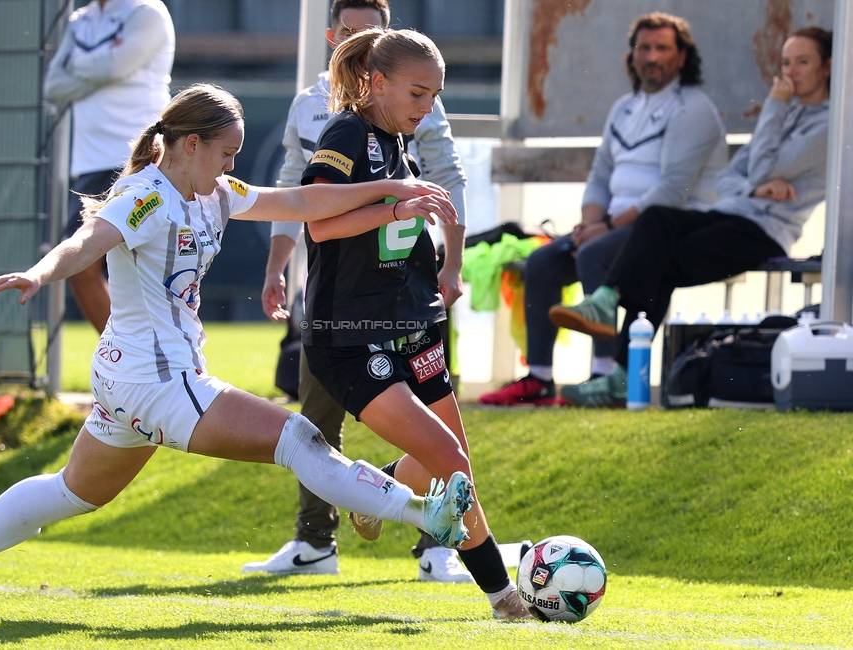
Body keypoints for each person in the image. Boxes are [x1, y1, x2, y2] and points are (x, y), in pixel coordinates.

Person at [0, 83, 470, 618]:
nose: (232, 167)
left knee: (72, 492)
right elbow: (85, 243)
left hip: (135, 380)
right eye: (227, 153)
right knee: (298, 438)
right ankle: (423, 513)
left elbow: (299, 200)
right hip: (156, 382)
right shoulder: (144, 195)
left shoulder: (213, 194)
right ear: (190, 144)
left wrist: (389, 188)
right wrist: (38, 273)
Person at [298, 27, 533, 620]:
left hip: (415, 322)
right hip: (352, 336)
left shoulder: (400, 143)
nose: (428, 108)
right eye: (418, 94)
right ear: (376, 84)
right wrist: (397, 206)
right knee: (449, 456)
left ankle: (374, 486)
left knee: (442, 456)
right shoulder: (347, 132)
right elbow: (320, 223)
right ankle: (503, 596)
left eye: (435, 96)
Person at [242, 0, 472, 584]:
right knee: (316, 421)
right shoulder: (317, 107)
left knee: (442, 435)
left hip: (409, 294)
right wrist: (278, 266)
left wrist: (452, 263)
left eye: (376, 30)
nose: (365, 39)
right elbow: (298, 196)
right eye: (352, 31)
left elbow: (447, 177)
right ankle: (315, 540)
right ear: (334, 36)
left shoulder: (417, 95)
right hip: (338, 301)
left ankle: (435, 544)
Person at [549, 27, 832, 407]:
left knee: (658, 262)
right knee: (658, 220)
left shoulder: (830, 123)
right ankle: (606, 303)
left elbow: (763, 167)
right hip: (727, 213)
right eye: (785, 62)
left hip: (765, 230)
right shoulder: (786, 111)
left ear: (827, 67)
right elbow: (731, 180)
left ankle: (618, 368)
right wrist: (755, 187)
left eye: (802, 62)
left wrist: (774, 110)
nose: (790, 72)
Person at [479, 12, 727, 407]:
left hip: (666, 228)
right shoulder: (624, 108)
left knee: (595, 254)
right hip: (612, 226)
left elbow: (671, 192)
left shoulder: (694, 108)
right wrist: (590, 222)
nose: (651, 56)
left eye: (662, 48)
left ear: (681, 57)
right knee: (543, 262)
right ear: (632, 56)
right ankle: (539, 380)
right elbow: (600, 176)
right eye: (643, 48)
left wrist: (606, 228)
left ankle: (605, 375)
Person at [43, 0, 175, 333]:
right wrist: (102, 68)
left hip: (144, 163)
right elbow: (53, 85)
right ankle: (126, 357)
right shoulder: (80, 20)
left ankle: (169, 365)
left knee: (148, 271)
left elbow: (114, 67)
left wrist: (79, 65)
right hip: (89, 166)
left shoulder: (148, 13)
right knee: (79, 267)